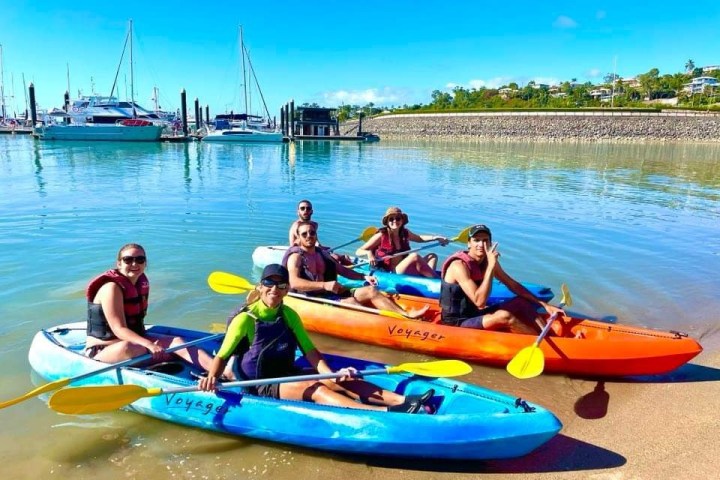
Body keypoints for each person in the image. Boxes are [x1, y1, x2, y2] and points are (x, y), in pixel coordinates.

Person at [198, 264, 433, 413]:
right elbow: (222, 355)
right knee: (317, 389)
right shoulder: (246, 319)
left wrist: (331, 372)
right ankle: (384, 415)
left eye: (280, 285)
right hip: (257, 384)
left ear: (287, 290)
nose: (274, 289)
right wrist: (211, 378)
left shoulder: (289, 314)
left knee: (338, 380)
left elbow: (310, 351)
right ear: (260, 287)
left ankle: (402, 400)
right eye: (269, 283)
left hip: (285, 371)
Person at [84, 243, 218, 371]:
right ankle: (160, 362)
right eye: (128, 260)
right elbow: (119, 329)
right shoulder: (111, 288)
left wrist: (149, 344)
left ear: (145, 263)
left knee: (177, 342)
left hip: (135, 342)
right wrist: (149, 344)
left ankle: (222, 372)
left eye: (140, 259)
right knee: (132, 348)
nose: (134, 264)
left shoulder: (139, 284)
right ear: (119, 263)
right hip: (103, 349)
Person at [283, 221, 429, 319]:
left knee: (371, 290)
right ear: (299, 237)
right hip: (310, 299)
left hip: (329, 293)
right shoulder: (296, 257)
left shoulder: (322, 253)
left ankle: (405, 315)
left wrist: (363, 277)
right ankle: (383, 326)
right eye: (304, 234)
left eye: (312, 233)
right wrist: (324, 285)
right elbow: (294, 282)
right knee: (352, 303)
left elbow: (342, 270)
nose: (309, 236)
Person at [440, 224, 564, 334]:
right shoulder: (458, 266)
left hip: (474, 314)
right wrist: (490, 268)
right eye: (476, 240)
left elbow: (512, 285)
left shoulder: (488, 261)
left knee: (521, 302)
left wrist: (544, 305)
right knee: (505, 316)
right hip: (456, 323)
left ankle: (547, 335)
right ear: (469, 243)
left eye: (485, 240)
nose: (481, 244)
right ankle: (540, 345)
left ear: (490, 244)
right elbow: (480, 302)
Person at [356, 207, 449, 278]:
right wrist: (369, 254)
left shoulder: (405, 233)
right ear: (387, 222)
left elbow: (419, 238)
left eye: (398, 218)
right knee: (414, 256)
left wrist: (436, 238)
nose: (395, 221)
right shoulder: (381, 235)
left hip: (404, 268)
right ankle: (435, 280)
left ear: (402, 221)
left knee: (432, 256)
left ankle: (429, 279)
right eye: (391, 219)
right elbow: (358, 251)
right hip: (391, 272)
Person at [288, 199, 352, 264]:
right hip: (299, 254)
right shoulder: (296, 226)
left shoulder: (314, 225)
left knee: (341, 258)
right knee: (336, 258)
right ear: (298, 212)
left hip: (311, 251)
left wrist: (322, 248)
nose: (305, 210)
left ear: (311, 211)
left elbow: (315, 242)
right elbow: (304, 244)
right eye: (302, 208)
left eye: (308, 208)